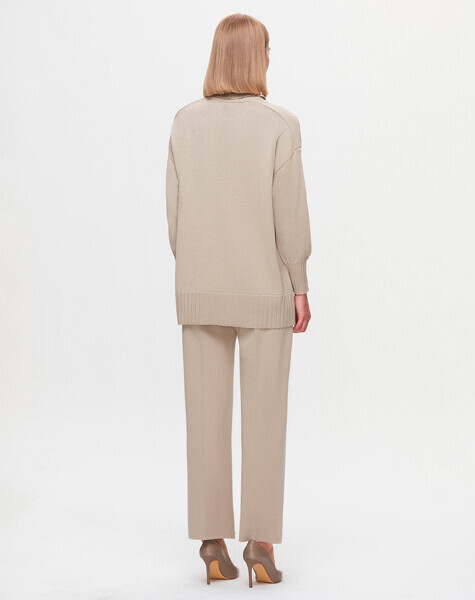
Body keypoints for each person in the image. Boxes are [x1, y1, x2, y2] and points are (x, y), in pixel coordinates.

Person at [166, 13, 312, 587]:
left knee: (203, 418)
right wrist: (299, 282)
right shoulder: (280, 124)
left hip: (200, 287)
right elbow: (290, 216)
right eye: (267, 50)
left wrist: (196, 268)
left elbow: (175, 216)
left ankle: (211, 543)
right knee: (265, 420)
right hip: (263, 289)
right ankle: (260, 545)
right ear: (256, 57)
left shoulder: (184, 122)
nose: (271, 58)